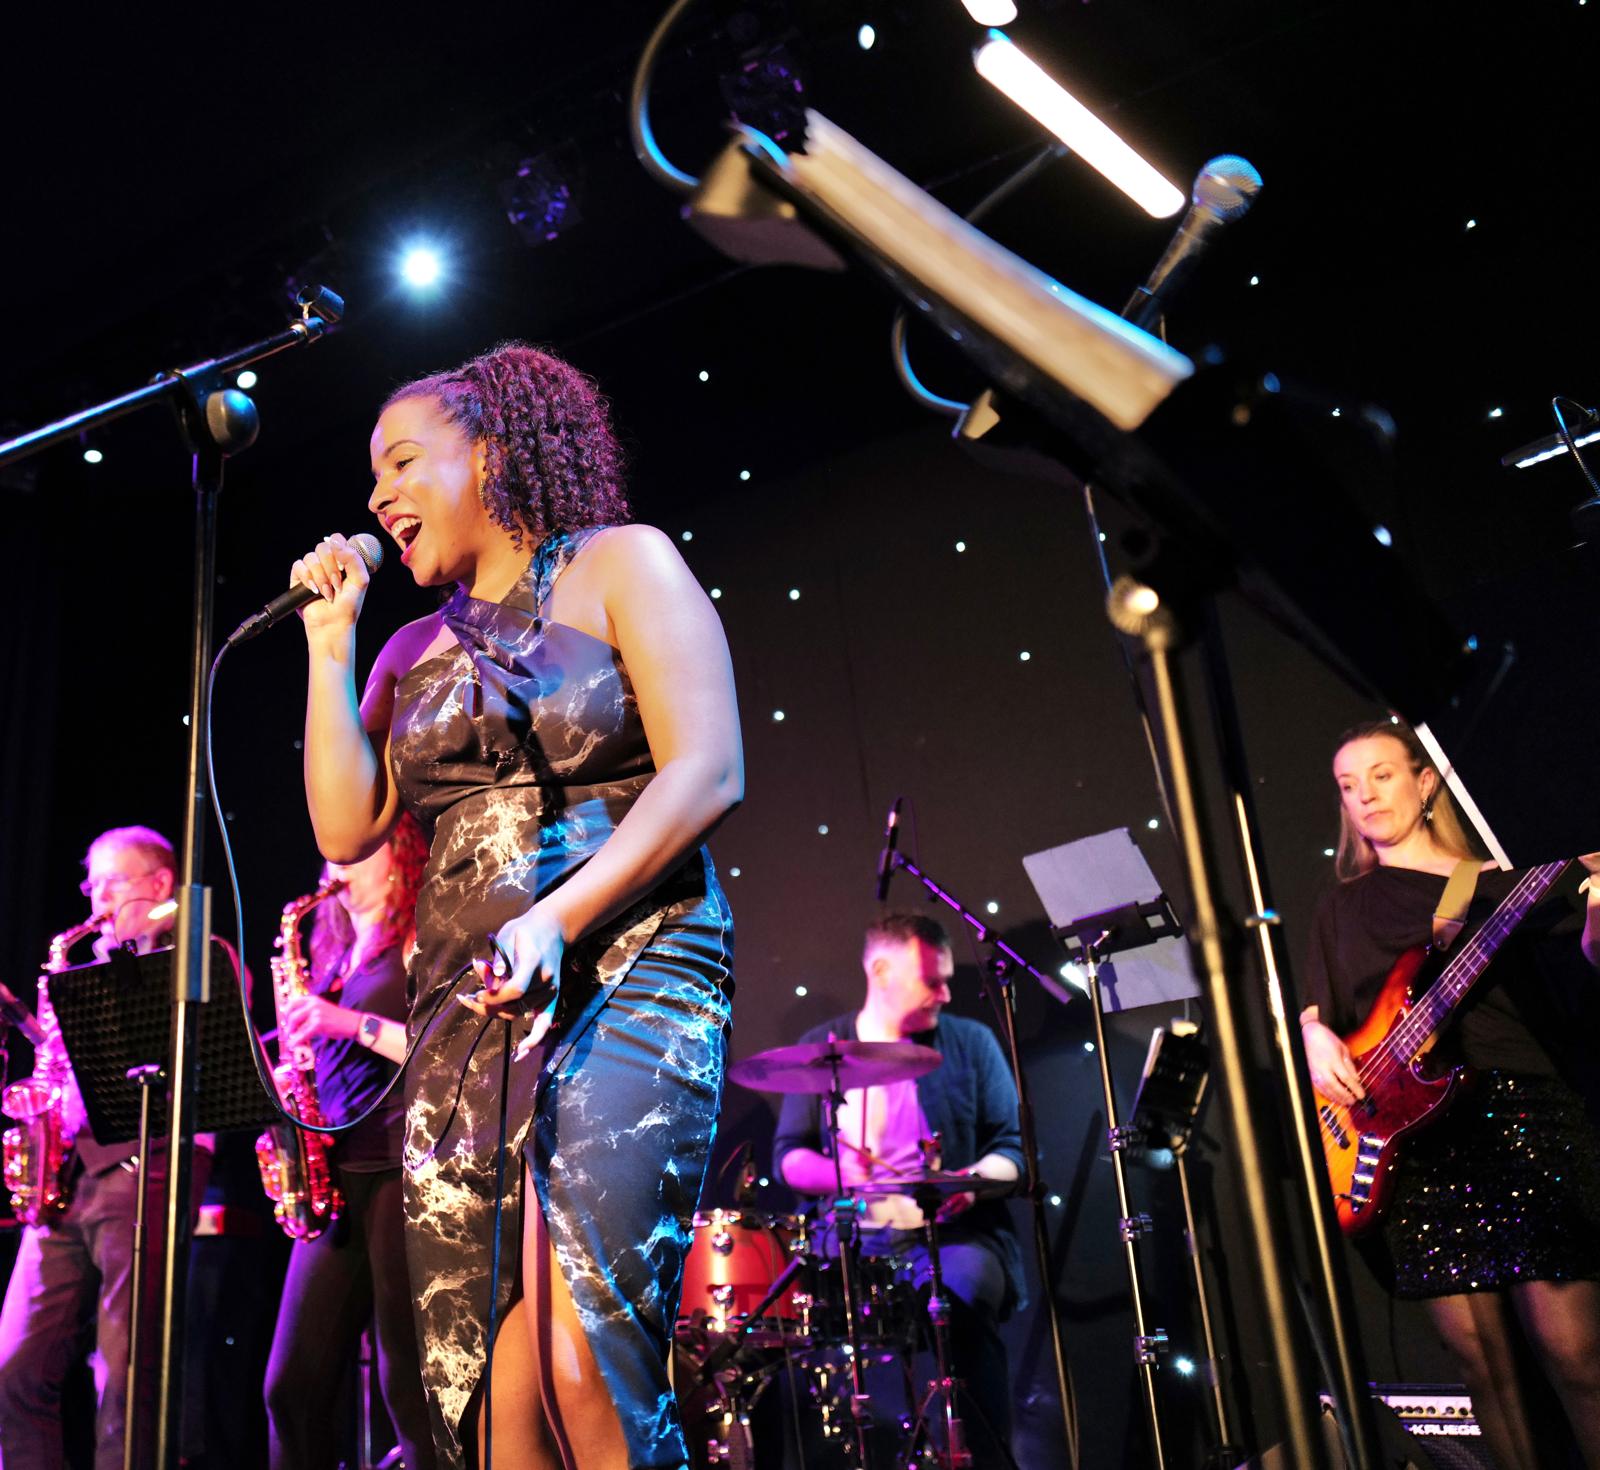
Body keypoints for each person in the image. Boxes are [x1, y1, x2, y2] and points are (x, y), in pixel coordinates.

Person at [290, 342, 741, 1470]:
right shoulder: (409, 648)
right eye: (372, 474)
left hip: (630, 967)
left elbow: (708, 769)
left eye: (402, 462)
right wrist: (331, 648)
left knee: (585, 1359)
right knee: (489, 1396)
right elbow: (344, 829)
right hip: (467, 1008)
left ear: (492, 453)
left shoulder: (622, 563)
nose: (377, 496)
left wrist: (557, 917)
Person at [1300, 719, 1600, 1470]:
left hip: (1521, 1116)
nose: (1365, 796)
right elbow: (1315, 1013)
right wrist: (1312, 1038)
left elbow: (1591, 963)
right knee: (1483, 1371)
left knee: (1576, 1354)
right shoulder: (1341, 907)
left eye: (1381, 775)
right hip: (1415, 1150)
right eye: (1348, 785)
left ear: (1426, 781)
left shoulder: (1501, 881)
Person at [772, 912, 1024, 1469]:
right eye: (931, 981)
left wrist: (969, 1185)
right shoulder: (822, 1047)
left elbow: (1013, 1151)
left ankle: (983, 1455)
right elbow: (789, 1158)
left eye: (946, 980)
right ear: (882, 972)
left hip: (949, 1234)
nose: (946, 994)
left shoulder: (971, 1043)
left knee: (961, 1295)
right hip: (850, 1237)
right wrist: (845, 1175)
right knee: (777, 1329)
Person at [0, 825, 212, 1470]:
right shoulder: (83, 968)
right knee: (14, 1366)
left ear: (160, 884)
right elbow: (70, 1063)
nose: (96, 900)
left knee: (124, 1376)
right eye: (91, 885)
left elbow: (192, 1055)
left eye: (111, 884)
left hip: (145, 1166)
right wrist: (23, 1021)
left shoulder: (200, 956)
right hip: (67, 1172)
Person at [263, 812, 436, 1470]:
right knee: (290, 1388)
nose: (337, 869)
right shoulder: (334, 952)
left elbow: (440, 1050)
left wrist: (345, 1022)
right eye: (332, 857)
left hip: (401, 1166)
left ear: (400, 855)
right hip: (335, 1175)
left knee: (406, 1385)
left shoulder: (417, 936)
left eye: (356, 854)